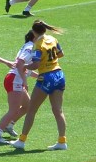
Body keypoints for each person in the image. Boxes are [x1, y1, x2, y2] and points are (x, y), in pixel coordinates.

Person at [13, 20, 67, 151]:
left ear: (33, 31)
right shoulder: (53, 39)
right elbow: (61, 54)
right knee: (58, 110)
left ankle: (21, 141)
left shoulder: (38, 44)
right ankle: (62, 141)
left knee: (31, 110)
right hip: (59, 75)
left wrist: (25, 66)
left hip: (46, 77)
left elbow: (35, 65)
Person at [0, 29, 39, 146]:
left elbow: (25, 69)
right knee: (14, 110)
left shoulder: (29, 46)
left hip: (14, 79)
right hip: (15, 80)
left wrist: (39, 76)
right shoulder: (30, 47)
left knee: (28, 106)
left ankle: (9, 125)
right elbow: (20, 64)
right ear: (34, 37)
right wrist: (25, 81)